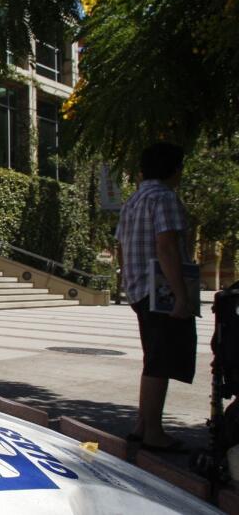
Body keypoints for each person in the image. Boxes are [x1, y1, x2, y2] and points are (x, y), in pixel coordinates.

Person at [115, 142, 195, 453]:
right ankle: (153, 432)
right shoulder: (164, 198)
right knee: (161, 362)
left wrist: (127, 281)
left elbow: (121, 246)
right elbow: (167, 247)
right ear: (175, 169)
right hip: (159, 292)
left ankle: (142, 425)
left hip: (138, 288)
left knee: (153, 359)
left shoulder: (133, 201)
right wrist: (180, 295)